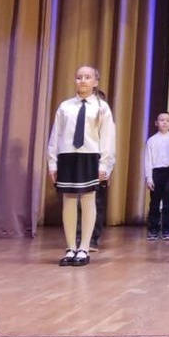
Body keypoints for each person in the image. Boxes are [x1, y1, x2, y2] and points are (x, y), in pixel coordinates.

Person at [47, 65, 116, 267]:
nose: (82, 80)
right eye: (79, 77)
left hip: (89, 156)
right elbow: (56, 135)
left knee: (88, 200)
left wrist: (105, 165)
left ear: (95, 82)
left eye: (87, 77)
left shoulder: (101, 107)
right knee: (68, 200)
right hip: (67, 156)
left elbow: (108, 138)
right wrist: (52, 162)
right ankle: (70, 247)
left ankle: (84, 247)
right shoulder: (65, 106)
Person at [144, 112, 169, 241]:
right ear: (156, 123)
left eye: (167, 120)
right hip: (156, 172)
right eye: (161, 120)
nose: (164, 122)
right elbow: (148, 160)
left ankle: (167, 230)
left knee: (168, 203)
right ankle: (153, 229)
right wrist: (149, 177)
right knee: (155, 202)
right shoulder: (152, 140)